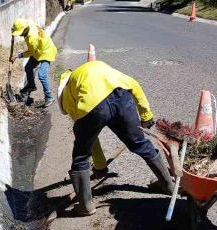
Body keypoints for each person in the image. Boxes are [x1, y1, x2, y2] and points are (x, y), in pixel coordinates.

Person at [57, 60, 174, 216]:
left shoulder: (68, 95)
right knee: (140, 143)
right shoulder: (93, 68)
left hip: (94, 108)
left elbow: (91, 141)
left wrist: (100, 167)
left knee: (80, 157)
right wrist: (146, 116)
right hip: (121, 97)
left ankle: (85, 206)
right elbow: (134, 85)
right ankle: (168, 186)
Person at [10, 18, 57, 107]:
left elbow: (30, 52)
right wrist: (14, 29)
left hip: (46, 52)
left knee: (42, 75)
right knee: (28, 67)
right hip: (39, 50)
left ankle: (49, 97)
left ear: (24, 30)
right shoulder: (29, 22)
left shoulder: (32, 39)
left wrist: (17, 56)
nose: (20, 35)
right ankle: (31, 85)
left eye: (20, 33)